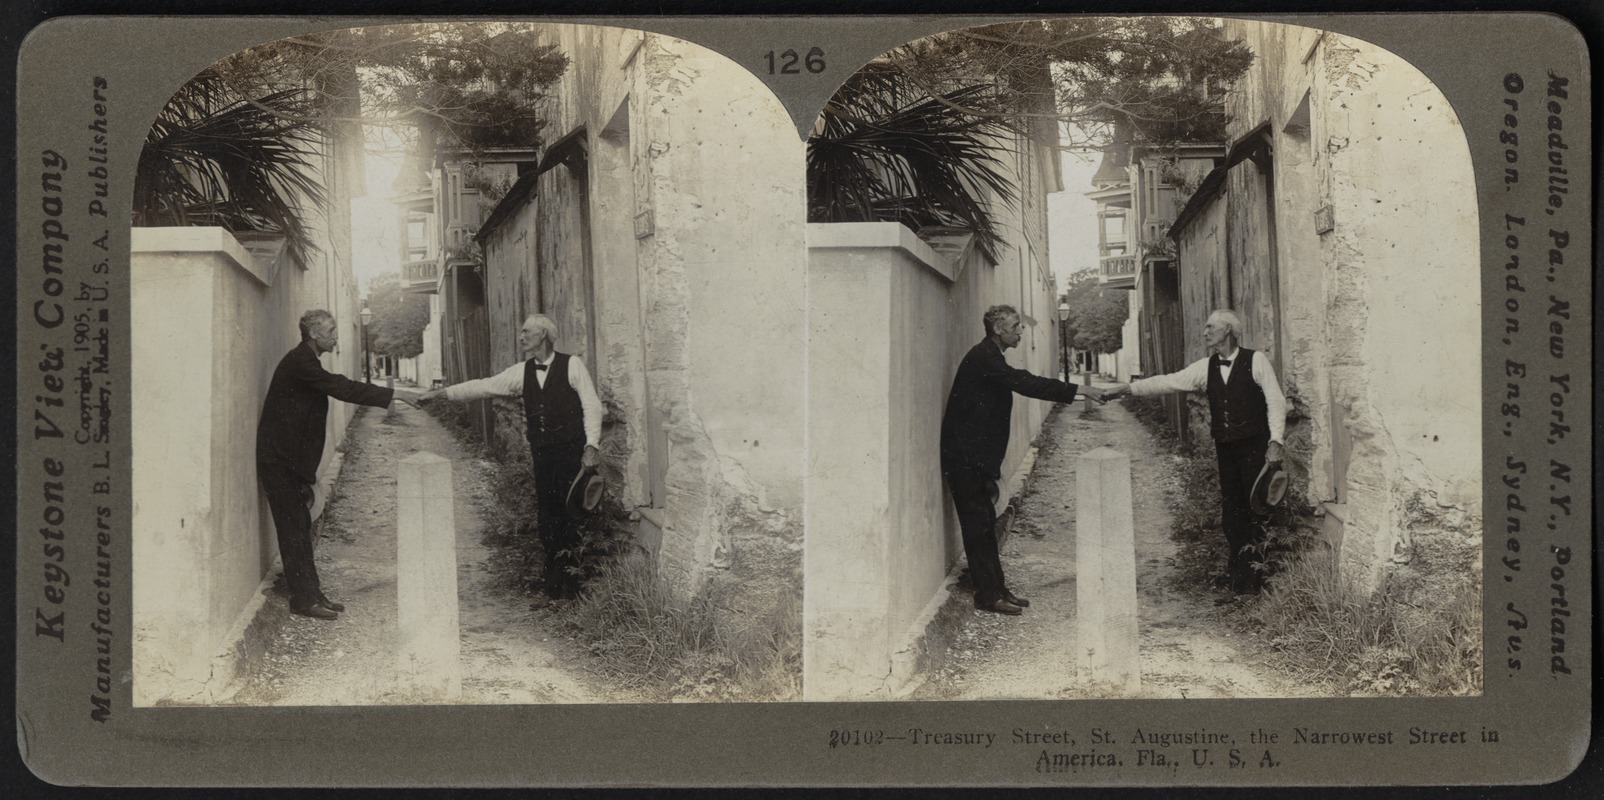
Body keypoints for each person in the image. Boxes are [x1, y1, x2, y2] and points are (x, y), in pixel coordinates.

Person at [1104, 308, 1287, 595]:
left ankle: (1257, 579)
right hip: (1226, 449)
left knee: (1258, 509)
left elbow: (1276, 401)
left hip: (1255, 448)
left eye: (1210, 327)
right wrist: (1127, 388)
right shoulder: (1205, 367)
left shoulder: (1257, 360)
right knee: (1232, 512)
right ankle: (1239, 576)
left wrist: (1276, 441)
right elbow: (1168, 381)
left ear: (1227, 330)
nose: (1204, 332)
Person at [941, 304, 1108, 615]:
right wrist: (1079, 389)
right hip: (965, 458)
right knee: (978, 527)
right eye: (1015, 326)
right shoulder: (985, 358)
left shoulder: (990, 356)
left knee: (985, 524)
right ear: (998, 330)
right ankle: (989, 596)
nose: (1020, 331)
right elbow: (1026, 382)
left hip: (973, 457)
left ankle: (998, 589)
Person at [422, 314, 602, 598]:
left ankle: (577, 583)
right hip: (543, 453)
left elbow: (591, 406)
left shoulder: (572, 365)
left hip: (572, 452)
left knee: (573, 513)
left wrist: (591, 446)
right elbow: (485, 385)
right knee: (548, 514)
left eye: (526, 331)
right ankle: (554, 581)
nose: (520, 337)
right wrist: (442, 394)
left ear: (543, 335)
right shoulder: (522, 371)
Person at [257, 309, 401, 620]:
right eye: (331, 330)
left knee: (299, 527)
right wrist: (391, 395)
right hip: (279, 461)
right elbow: (341, 387)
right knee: (293, 529)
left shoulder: (305, 361)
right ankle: (304, 599)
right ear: (314, 335)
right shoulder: (301, 362)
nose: (336, 336)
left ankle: (312, 593)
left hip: (287, 461)